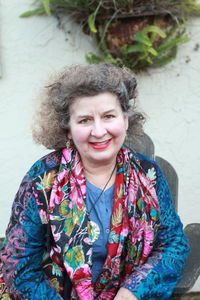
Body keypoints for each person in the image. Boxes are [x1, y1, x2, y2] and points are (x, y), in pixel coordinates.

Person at [0, 63, 189, 300]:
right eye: (85, 120)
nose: (99, 131)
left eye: (109, 116)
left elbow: (173, 244)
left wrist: (132, 292)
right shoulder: (43, 179)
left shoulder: (148, 174)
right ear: (68, 129)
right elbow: (18, 266)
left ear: (125, 120)